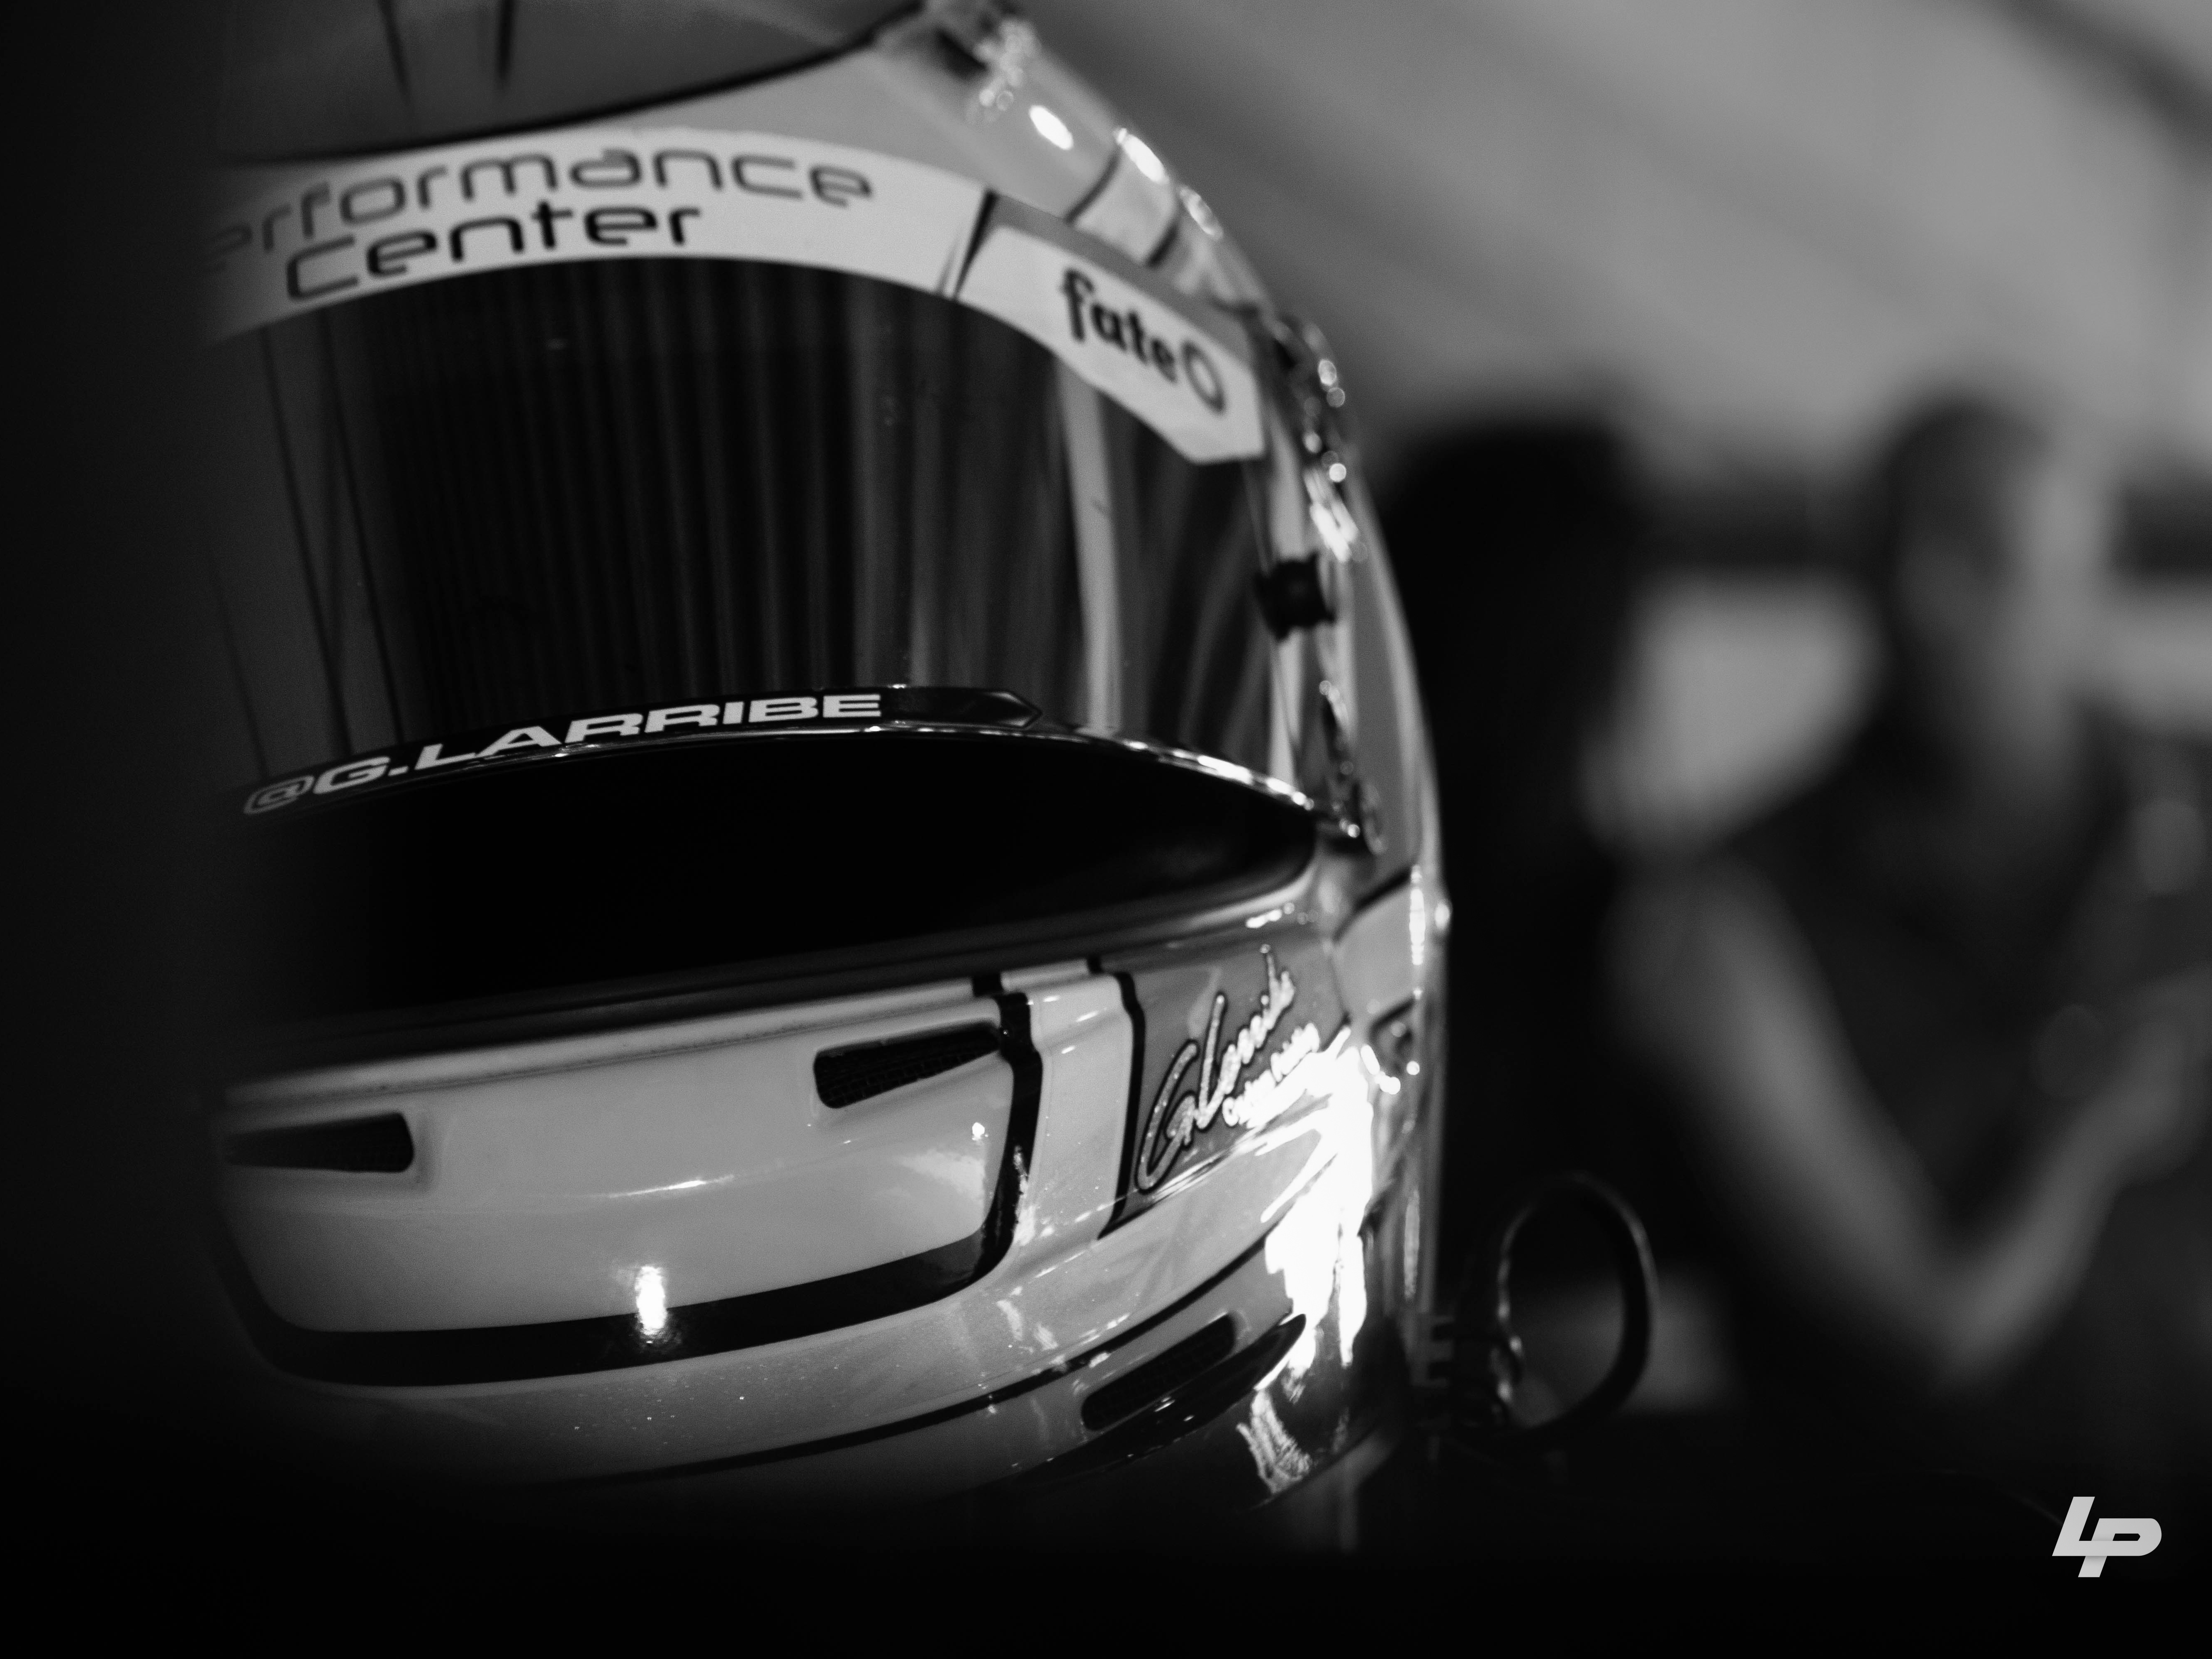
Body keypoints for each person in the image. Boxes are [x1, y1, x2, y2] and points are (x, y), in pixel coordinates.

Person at [1614, 392, 2212, 1473]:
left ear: (2095, 583)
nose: (1921, 598)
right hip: (1898, 1517)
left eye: (1983, 554)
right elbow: (1922, 1338)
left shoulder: (2191, 819)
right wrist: (2086, 1136)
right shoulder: (1737, 911)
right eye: (1891, 548)